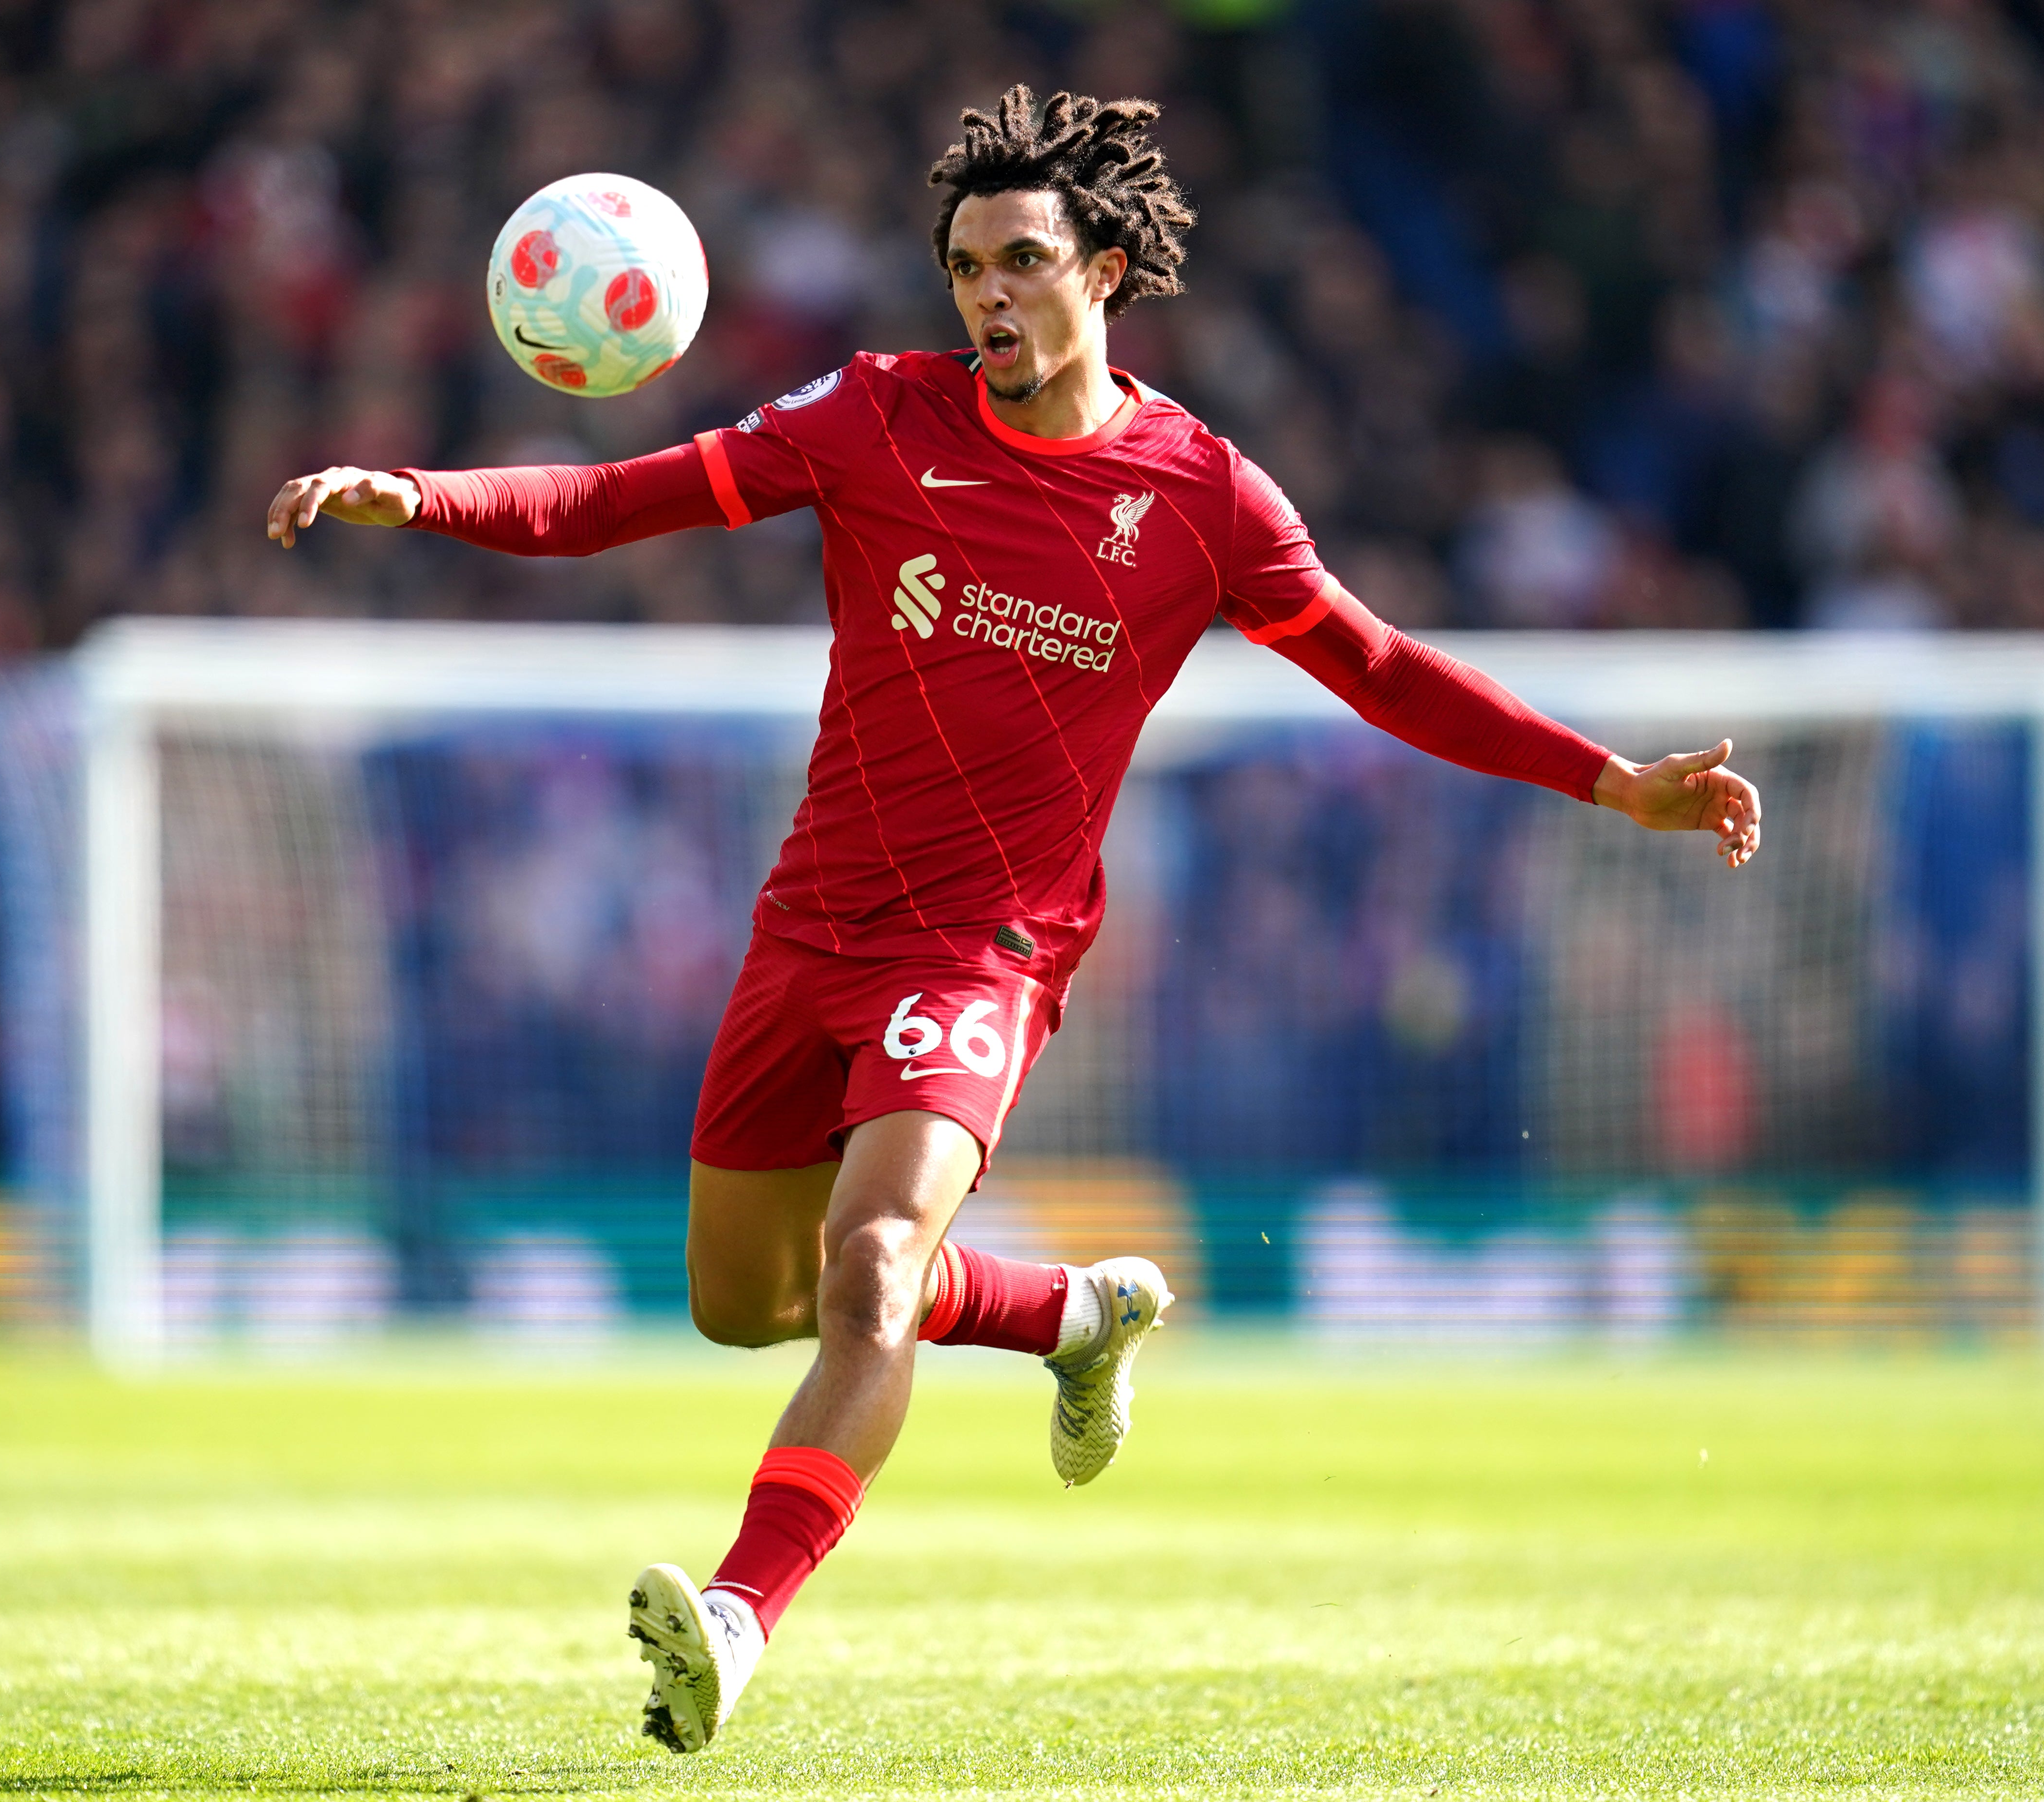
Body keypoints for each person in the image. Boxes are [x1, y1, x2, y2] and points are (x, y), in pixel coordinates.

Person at [265, 86, 1762, 1753]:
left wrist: (1613, 780)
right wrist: (423, 491)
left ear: (1104, 271)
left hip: (981, 950)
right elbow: (625, 496)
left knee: (871, 1265)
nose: (988, 296)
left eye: (1024, 261)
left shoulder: (1202, 497)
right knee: (738, 1298)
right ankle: (1070, 1312)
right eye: (966, 266)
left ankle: (741, 1616)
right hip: (810, 924)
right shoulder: (874, 417)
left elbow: (1384, 669)